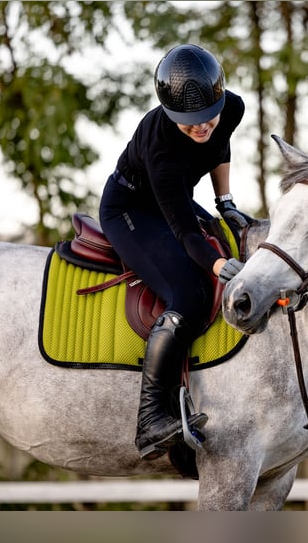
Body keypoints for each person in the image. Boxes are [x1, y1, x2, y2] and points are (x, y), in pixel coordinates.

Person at [99, 44, 249, 460]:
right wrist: (221, 266)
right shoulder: (162, 149)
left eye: (208, 118)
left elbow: (220, 149)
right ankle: (150, 420)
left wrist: (227, 204)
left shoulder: (232, 108)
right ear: (170, 113)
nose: (201, 127)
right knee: (190, 294)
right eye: (189, 124)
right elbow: (185, 234)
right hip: (131, 208)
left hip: (179, 197)